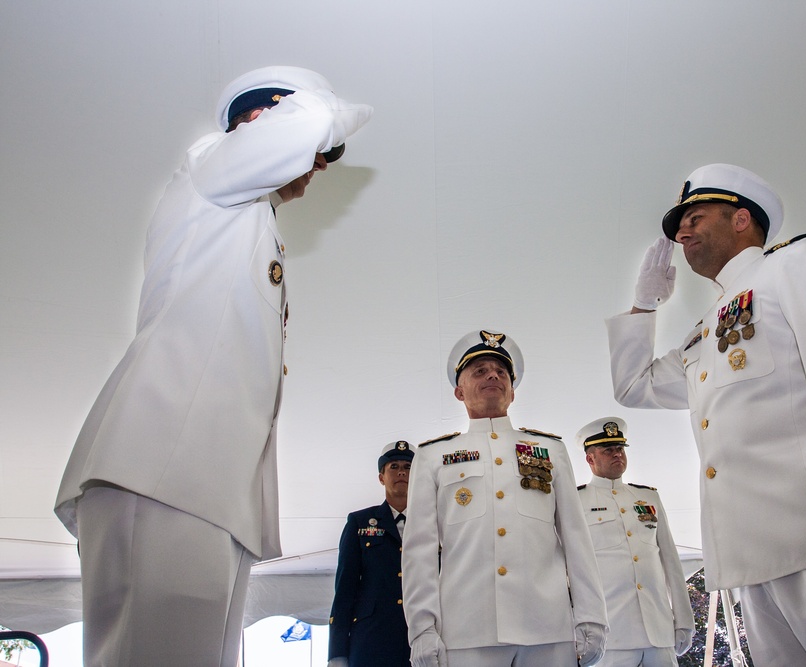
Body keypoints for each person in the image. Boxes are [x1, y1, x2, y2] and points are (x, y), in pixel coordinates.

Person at [53, 66, 373, 666]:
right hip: (163, 464)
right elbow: (305, 123)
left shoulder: (246, 217)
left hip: (205, 481)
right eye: (321, 153)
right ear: (260, 122)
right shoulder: (210, 167)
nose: (320, 165)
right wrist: (319, 115)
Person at [605, 163, 806, 665]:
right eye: (680, 224)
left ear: (741, 219)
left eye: (695, 216)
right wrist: (644, 305)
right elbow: (634, 386)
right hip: (751, 563)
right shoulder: (704, 333)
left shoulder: (796, 266)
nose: (682, 231)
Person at [402, 330, 609, 667]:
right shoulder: (433, 456)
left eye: (500, 371)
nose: (492, 375)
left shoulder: (550, 450)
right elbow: (419, 551)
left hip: (548, 626)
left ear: (512, 392)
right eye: (479, 371)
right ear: (459, 391)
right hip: (467, 629)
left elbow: (576, 539)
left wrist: (592, 615)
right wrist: (422, 628)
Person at [575, 417, 694, 667]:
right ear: (590, 458)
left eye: (620, 449)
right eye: (608, 450)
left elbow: (671, 562)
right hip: (610, 634)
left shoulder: (647, 496)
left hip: (659, 631)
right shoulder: (576, 501)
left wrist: (684, 621)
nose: (617, 454)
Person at [328, 440, 414, 667]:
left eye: (407, 467)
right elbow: (345, 589)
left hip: (421, 639)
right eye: (393, 467)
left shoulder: (434, 522)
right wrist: (337, 653)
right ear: (381, 477)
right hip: (371, 641)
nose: (401, 472)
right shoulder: (360, 522)